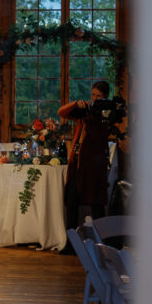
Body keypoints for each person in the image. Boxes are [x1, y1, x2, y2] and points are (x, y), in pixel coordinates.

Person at [58, 79, 112, 231]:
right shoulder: (85, 110)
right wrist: (76, 104)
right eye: (93, 95)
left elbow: (99, 137)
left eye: (99, 96)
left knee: (96, 203)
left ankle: (101, 240)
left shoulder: (106, 114)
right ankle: (71, 242)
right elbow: (61, 112)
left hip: (93, 166)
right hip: (77, 162)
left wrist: (91, 116)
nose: (95, 99)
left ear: (106, 97)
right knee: (71, 202)